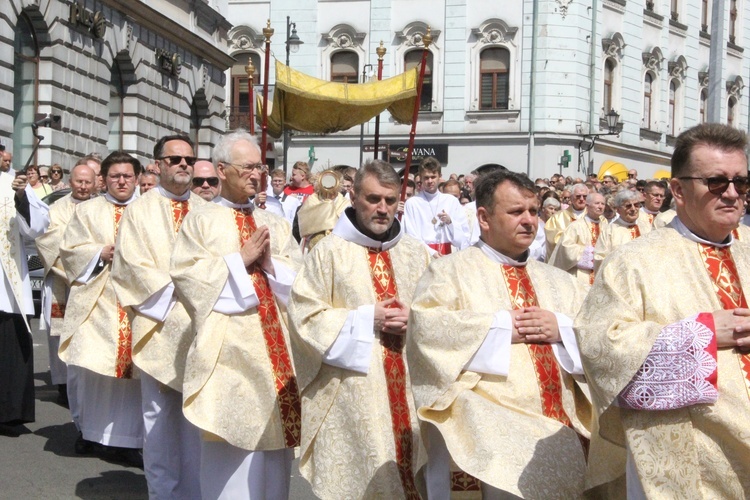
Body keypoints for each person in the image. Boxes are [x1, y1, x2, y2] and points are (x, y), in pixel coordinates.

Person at [576, 123, 750, 497]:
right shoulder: (634, 262)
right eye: (717, 182)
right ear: (678, 190)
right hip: (691, 455)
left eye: (742, 182)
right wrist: (699, 336)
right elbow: (599, 347)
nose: (733, 194)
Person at [407, 169, 593, 498]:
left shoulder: (560, 281)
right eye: (516, 212)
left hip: (567, 425)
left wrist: (562, 328)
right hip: (495, 430)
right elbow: (427, 332)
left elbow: (599, 337)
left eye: (533, 211)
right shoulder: (449, 271)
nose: (529, 221)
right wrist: (502, 325)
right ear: (484, 217)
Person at [170, 130, 301, 499]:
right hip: (228, 355)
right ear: (222, 170)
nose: (256, 174)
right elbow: (185, 277)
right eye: (247, 166)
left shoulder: (272, 221)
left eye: (259, 166)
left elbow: (301, 278)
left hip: (277, 354)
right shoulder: (201, 220)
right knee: (231, 459)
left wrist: (272, 265)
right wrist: (238, 261)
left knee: (274, 463)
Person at [288, 160, 431, 498]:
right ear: (353, 196)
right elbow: (304, 318)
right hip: (354, 399)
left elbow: (441, 315)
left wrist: (418, 319)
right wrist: (368, 319)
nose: (383, 209)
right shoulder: (328, 254)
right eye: (373, 199)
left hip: (413, 394)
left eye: (391, 200)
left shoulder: (417, 253)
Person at [111, 135, 205, 498]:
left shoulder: (207, 210)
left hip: (203, 328)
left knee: (200, 418)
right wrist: (186, 287)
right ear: (158, 164)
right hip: (160, 328)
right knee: (160, 421)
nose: (184, 164)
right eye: (175, 159)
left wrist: (203, 287)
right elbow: (131, 265)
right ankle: (165, 493)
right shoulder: (139, 210)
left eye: (189, 159)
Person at [58, 151, 144, 465]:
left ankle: (130, 438)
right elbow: (69, 250)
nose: (121, 181)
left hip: (137, 304)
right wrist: (99, 252)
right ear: (103, 179)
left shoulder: (149, 211)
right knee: (92, 367)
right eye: (114, 176)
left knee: (132, 375)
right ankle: (91, 432)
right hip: (98, 301)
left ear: (136, 179)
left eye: (127, 176)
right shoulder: (88, 211)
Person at [35, 163, 96, 407]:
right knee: (59, 333)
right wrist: (84, 254)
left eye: (87, 182)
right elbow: (49, 241)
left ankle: (88, 381)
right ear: (70, 182)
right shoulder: (56, 209)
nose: (83, 186)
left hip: (94, 280)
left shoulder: (101, 208)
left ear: (95, 183)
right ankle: (62, 384)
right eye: (79, 181)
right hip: (62, 282)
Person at [0, 163, 49, 429]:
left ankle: (8, 412)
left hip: (5, 286)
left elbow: (37, 227)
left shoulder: (12, 184)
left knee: (9, 349)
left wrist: (21, 197)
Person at [403, 157, 470, 256]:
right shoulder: (412, 203)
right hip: (422, 255)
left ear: (440, 176)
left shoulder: (451, 201)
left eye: (433, 177)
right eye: (426, 177)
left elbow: (463, 237)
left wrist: (450, 222)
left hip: (447, 255)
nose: (430, 181)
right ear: (420, 178)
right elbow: (411, 236)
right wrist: (431, 252)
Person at [548, 192, 607, 285]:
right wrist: (587, 253)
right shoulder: (576, 226)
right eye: (597, 203)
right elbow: (565, 246)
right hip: (581, 274)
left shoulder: (606, 226)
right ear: (587, 205)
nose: (600, 206)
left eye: (602, 204)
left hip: (601, 274)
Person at [593, 190, 651, 272]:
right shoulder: (610, 231)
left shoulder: (646, 227)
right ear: (618, 210)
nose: (633, 209)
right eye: (628, 206)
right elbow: (600, 258)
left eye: (636, 205)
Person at [544, 183, 588, 258]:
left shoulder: (596, 218)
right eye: (578, 196)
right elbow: (553, 240)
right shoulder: (557, 218)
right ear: (571, 198)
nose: (581, 199)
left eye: (584, 196)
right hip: (565, 264)